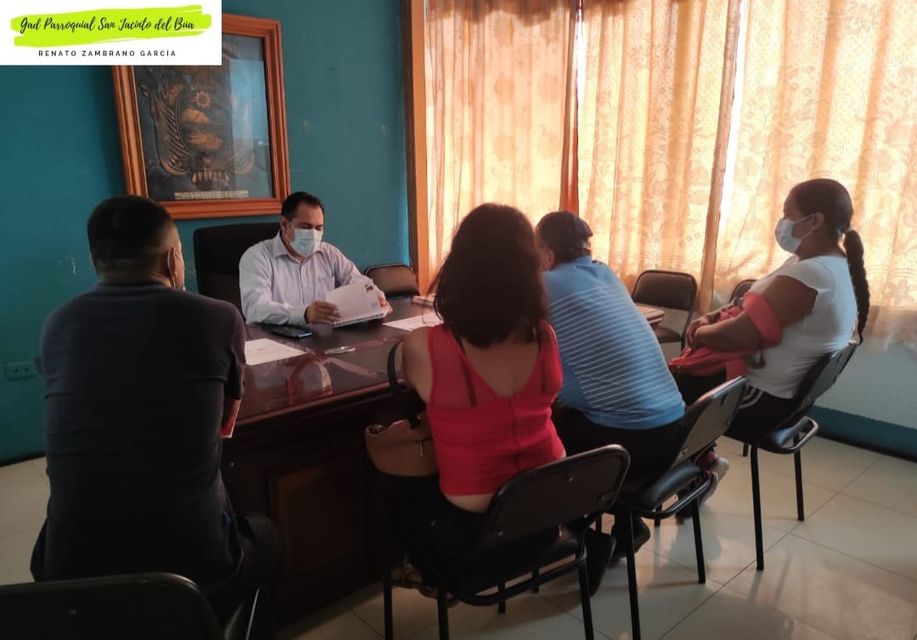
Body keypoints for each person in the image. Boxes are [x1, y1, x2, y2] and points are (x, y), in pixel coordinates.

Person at [32, 196, 278, 627]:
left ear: (93, 261)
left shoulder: (58, 323)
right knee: (268, 537)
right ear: (172, 261)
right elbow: (225, 423)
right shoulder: (218, 318)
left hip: (68, 578)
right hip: (189, 576)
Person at [398, 204, 612, 594]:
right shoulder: (545, 336)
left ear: (458, 268)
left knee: (399, 497)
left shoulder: (423, 346)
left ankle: (427, 574)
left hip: (474, 536)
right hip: (547, 516)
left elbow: (408, 382)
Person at [535, 210, 688, 558]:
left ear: (547, 253)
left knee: (542, 425)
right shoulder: (605, 273)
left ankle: (574, 534)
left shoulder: (544, 285)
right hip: (675, 431)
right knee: (593, 403)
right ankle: (626, 523)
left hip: (629, 444)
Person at [678, 178, 869, 450]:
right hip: (770, 392)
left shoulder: (814, 274)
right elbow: (748, 301)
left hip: (758, 397)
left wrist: (699, 333)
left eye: (788, 215)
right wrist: (712, 317)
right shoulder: (821, 264)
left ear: (815, 221)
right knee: (660, 385)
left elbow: (739, 336)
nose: (782, 223)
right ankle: (693, 460)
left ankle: (685, 465)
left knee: (650, 390)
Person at [239, 191, 387, 326]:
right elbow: (255, 307)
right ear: (284, 224)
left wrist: (377, 298)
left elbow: (359, 283)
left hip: (323, 337)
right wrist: (304, 314)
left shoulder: (329, 253)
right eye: (305, 227)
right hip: (275, 339)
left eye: (318, 228)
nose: (313, 234)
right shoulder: (257, 256)